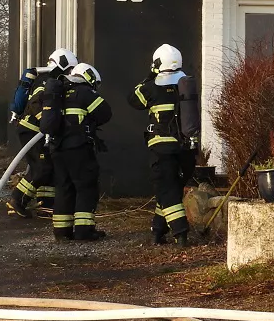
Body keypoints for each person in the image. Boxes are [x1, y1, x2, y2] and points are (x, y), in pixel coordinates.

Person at [128, 44, 199, 246]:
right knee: (172, 188)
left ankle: (181, 232)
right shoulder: (186, 84)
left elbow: (133, 100)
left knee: (166, 190)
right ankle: (158, 230)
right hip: (186, 148)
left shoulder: (151, 87)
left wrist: (150, 75)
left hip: (162, 148)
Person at [42, 62, 112, 241]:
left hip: (57, 148)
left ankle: (62, 231)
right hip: (78, 148)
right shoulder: (84, 92)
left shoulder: (59, 92)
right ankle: (84, 230)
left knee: (64, 187)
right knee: (85, 186)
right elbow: (105, 113)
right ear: (88, 77)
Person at [8, 49, 75, 218]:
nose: (69, 74)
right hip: (31, 130)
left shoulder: (51, 81)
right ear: (62, 65)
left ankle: (46, 206)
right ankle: (18, 199)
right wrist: (46, 122)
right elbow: (35, 103)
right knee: (41, 168)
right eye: (68, 70)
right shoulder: (45, 81)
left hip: (37, 131)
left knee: (50, 167)